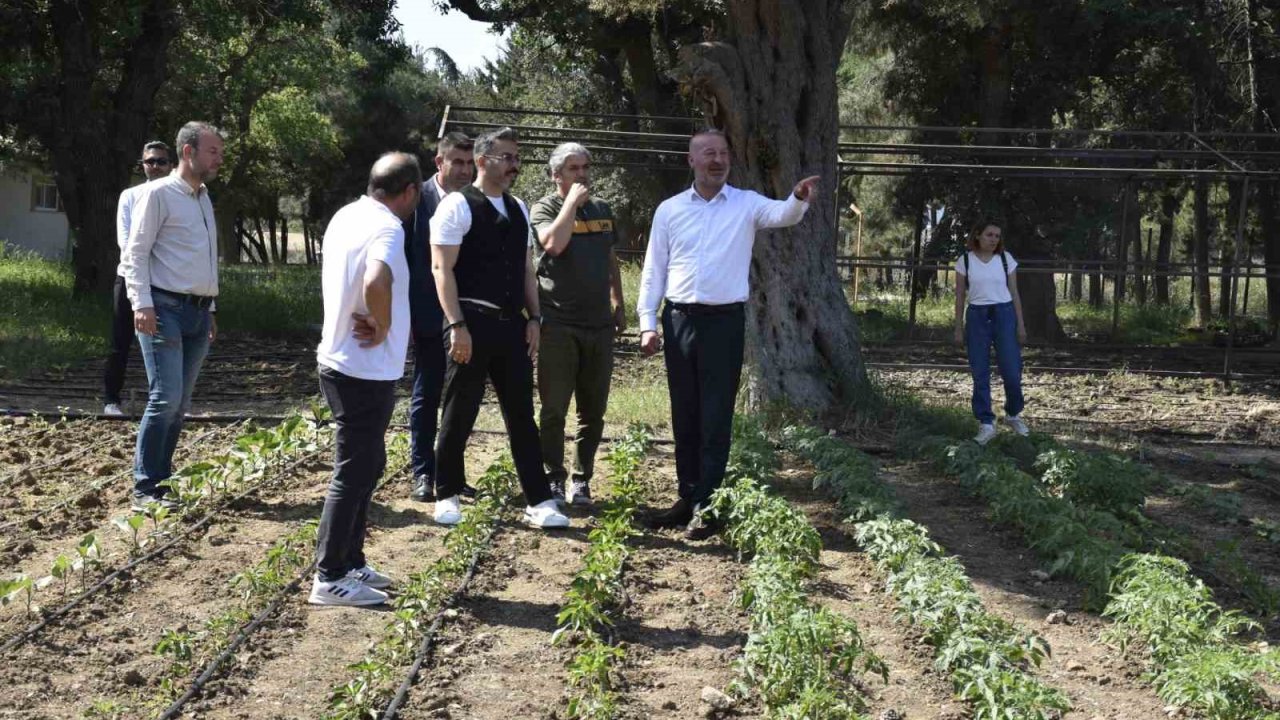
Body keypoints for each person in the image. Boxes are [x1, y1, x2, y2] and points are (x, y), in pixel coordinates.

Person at [636, 128, 819, 540]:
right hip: (679, 319)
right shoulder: (668, 210)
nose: (717, 160)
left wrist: (799, 198)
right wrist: (648, 322)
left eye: (723, 153)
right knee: (685, 412)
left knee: (716, 415)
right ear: (692, 161)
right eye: (708, 154)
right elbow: (654, 270)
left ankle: (708, 504)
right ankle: (686, 497)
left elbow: (782, 214)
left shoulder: (746, 203)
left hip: (724, 323)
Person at [429, 127, 570, 530]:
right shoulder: (456, 207)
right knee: (460, 409)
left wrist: (536, 319)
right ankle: (447, 492)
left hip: (513, 326)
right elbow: (442, 269)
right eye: (506, 157)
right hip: (470, 321)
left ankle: (539, 499)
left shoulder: (519, 208)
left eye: (515, 157)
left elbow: (528, 269)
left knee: (522, 414)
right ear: (482, 161)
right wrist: (456, 324)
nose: (514, 165)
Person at [310, 152, 422, 607]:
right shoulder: (388, 227)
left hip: (344, 363)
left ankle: (351, 561)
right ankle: (329, 575)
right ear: (410, 192)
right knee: (353, 471)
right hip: (361, 369)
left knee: (368, 464)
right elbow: (377, 280)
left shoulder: (346, 214)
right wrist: (381, 323)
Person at [121, 122, 222, 511]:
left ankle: (162, 481)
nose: (219, 159)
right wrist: (141, 303)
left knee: (180, 403)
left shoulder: (203, 197)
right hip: (163, 308)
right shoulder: (159, 194)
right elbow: (135, 253)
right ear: (188, 152)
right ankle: (146, 488)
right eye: (213, 151)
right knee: (165, 398)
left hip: (197, 314)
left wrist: (210, 307)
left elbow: (205, 258)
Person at [530, 142, 626, 506]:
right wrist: (571, 203)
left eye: (586, 167)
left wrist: (618, 301)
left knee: (593, 409)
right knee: (554, 408)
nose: (582, 174)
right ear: (556, 175)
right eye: (573, 169)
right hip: (558, 323)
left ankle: (581, 478)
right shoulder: (546, 207)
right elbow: (553, 245)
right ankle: (553, 477)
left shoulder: (602, 210)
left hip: (598, 325)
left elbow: (611, 257)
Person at [404, 132, 476, 503]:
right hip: (428, 317)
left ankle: (452, 474)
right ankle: (422, 473)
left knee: (460, 399)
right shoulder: (417, 202)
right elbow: (407, 262)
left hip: (468, 317)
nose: (465, 170)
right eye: (457, 162)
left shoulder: (476, 201)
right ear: (439, 163)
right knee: (427, 394)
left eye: (470, 162)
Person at [104, 141, 173, 417]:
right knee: (120, 341)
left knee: (166, 344)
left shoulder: (179, 196)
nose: (155, 166)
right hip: (130, 278)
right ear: (142, 165)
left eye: (161, 161)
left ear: (171, 165)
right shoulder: (130, 196)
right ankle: (111, 399)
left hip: (166, 282)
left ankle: (164, 401)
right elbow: (126, 241)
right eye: (150, 161)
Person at [953, 219, 1029, 445]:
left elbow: (1014, 292)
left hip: (1004, 314)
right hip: (977, 315)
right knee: (980, 371)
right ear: (977, 235)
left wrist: (1021, 325)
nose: (993, 239)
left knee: (1012, 369)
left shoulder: (1006, 260)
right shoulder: (964, 261)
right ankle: (986, 423)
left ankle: (1013, 414)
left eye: (997, 236)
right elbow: (959, 296)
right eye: (989, 235)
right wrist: (958, 327)